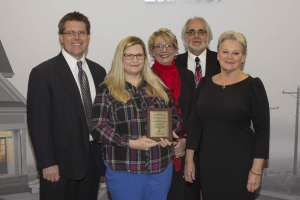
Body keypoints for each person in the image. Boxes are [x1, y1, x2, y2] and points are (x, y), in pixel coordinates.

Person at [27, 11, 106, 200]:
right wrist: (47, 163)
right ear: (61, 37)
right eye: (71, 33)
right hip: (59, 167)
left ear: (88, 36)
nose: (77, 38)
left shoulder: (98, 71)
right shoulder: (43, 73)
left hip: (92, 164)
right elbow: (38, 123)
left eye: (82, 33)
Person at [90, 36, 180, 200]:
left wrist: (170, 132)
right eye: (129, 55)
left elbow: (174, 115)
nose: (135, 60)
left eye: (139, 55)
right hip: (125, 170)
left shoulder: (157, 86)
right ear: (120, 58)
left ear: (145, 58)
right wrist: (131, 143)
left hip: (160, 167)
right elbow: (98, 127)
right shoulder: (107, 89)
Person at [184, 30, 270, 200]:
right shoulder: (204, 84)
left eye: (236, 52)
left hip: (241, 168)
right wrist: (189, 160)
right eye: (225, 51)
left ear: (243, 57)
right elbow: (194, 124)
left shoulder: (252, 85)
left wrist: (256, 170)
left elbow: (262, 131)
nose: (229, 56)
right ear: (218, 55)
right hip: (209, 166)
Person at [148, 28, 195, 200]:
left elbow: (193, 113)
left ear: (175, 49)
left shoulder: (187, 76)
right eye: (158, 46)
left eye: (168, 45)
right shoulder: (145, 77)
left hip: (181, 151)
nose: (164, 50)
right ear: (152, 51)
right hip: (154, 152)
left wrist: (185, 141)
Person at [175, 17, 220, 87]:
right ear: (185, 36)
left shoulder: (220, 61)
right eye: (191, 32)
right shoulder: (175, 63)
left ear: (208, 36)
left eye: (201, 32)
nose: (196, 36)